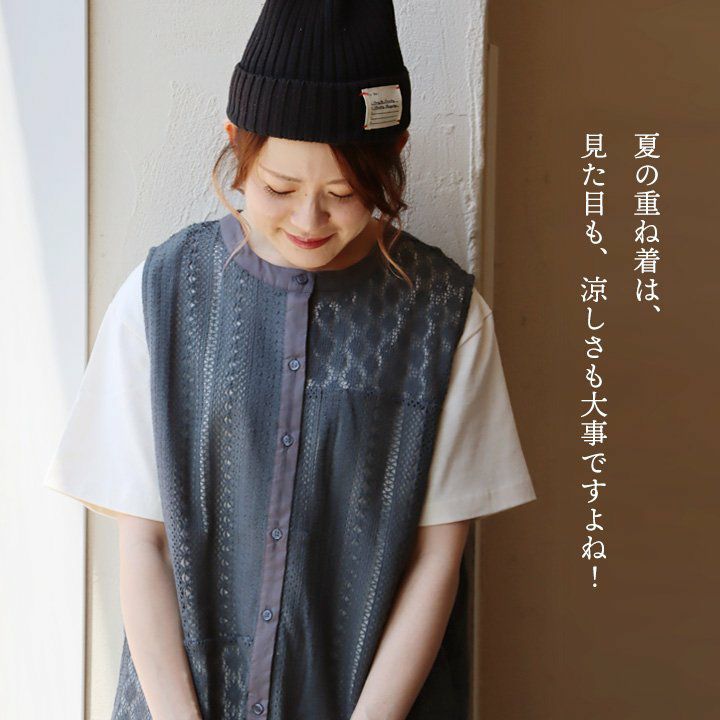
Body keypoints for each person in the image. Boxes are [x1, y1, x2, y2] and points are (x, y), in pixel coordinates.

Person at [43, 1, 537, 718]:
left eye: (344, 193)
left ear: (393, 155)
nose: (309, 220)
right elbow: (142, 543)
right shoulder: (164, 294)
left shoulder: (444, 316)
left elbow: (438, 560)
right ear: (236, 144)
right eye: (278, 188)